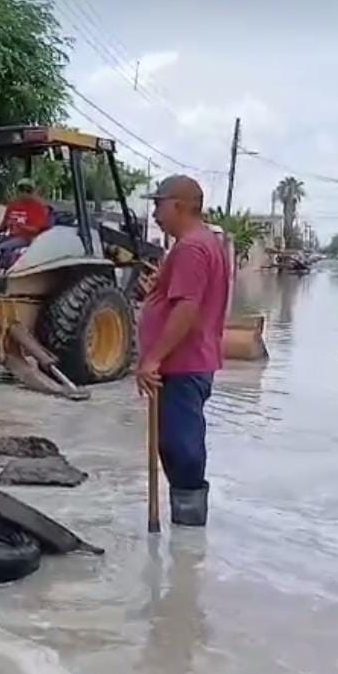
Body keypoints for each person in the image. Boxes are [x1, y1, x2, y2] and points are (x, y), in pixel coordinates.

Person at [135, 175, 231, 527]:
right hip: (187, 363)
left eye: (158, 204)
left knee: (181, 448)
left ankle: (188, 535)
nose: (155, 213)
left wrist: (153, 358)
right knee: (175, 445)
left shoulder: (191, 247)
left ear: (178, 205)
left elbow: (187, 308)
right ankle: (184, 544)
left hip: (181, 365)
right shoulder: (200, 243)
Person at [0, 178, 53, 268]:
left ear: (32, 192)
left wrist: (20, 226)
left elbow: (37, 229)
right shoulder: (13, 205)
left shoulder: (38, 208)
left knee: (3, 247)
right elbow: (3, 225)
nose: (24, 193)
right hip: (10, 236)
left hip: (27, 238)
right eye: (21, 190)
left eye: (28, 190)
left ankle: (6, 269)